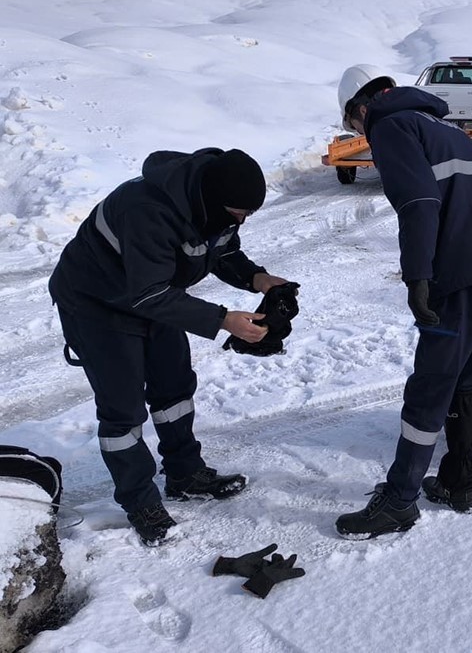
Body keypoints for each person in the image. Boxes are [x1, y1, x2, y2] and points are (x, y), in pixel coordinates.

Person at [48, 148, 292, 546]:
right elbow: (146, 295)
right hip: (96, 304)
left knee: (174, 385)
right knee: (123, 409)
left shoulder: (211, 205)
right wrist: (222, 319)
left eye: (247, 214)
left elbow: (222, 250)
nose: (241, 220)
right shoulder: (145, 210)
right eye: (237, 212)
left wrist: (259, 279)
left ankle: (184, 473)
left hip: (155, 293)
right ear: (213, 200)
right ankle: (139, 500)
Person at [336, 82, 472, 540]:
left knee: (430, 387)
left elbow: (418, 203)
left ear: (363, 108)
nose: (362, 135)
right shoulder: (445, 127)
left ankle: (399, 501)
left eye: (354, 126)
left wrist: (417, 277)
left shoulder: (391, 125)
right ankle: (459, 482)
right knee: (467, 380)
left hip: (462, 274)